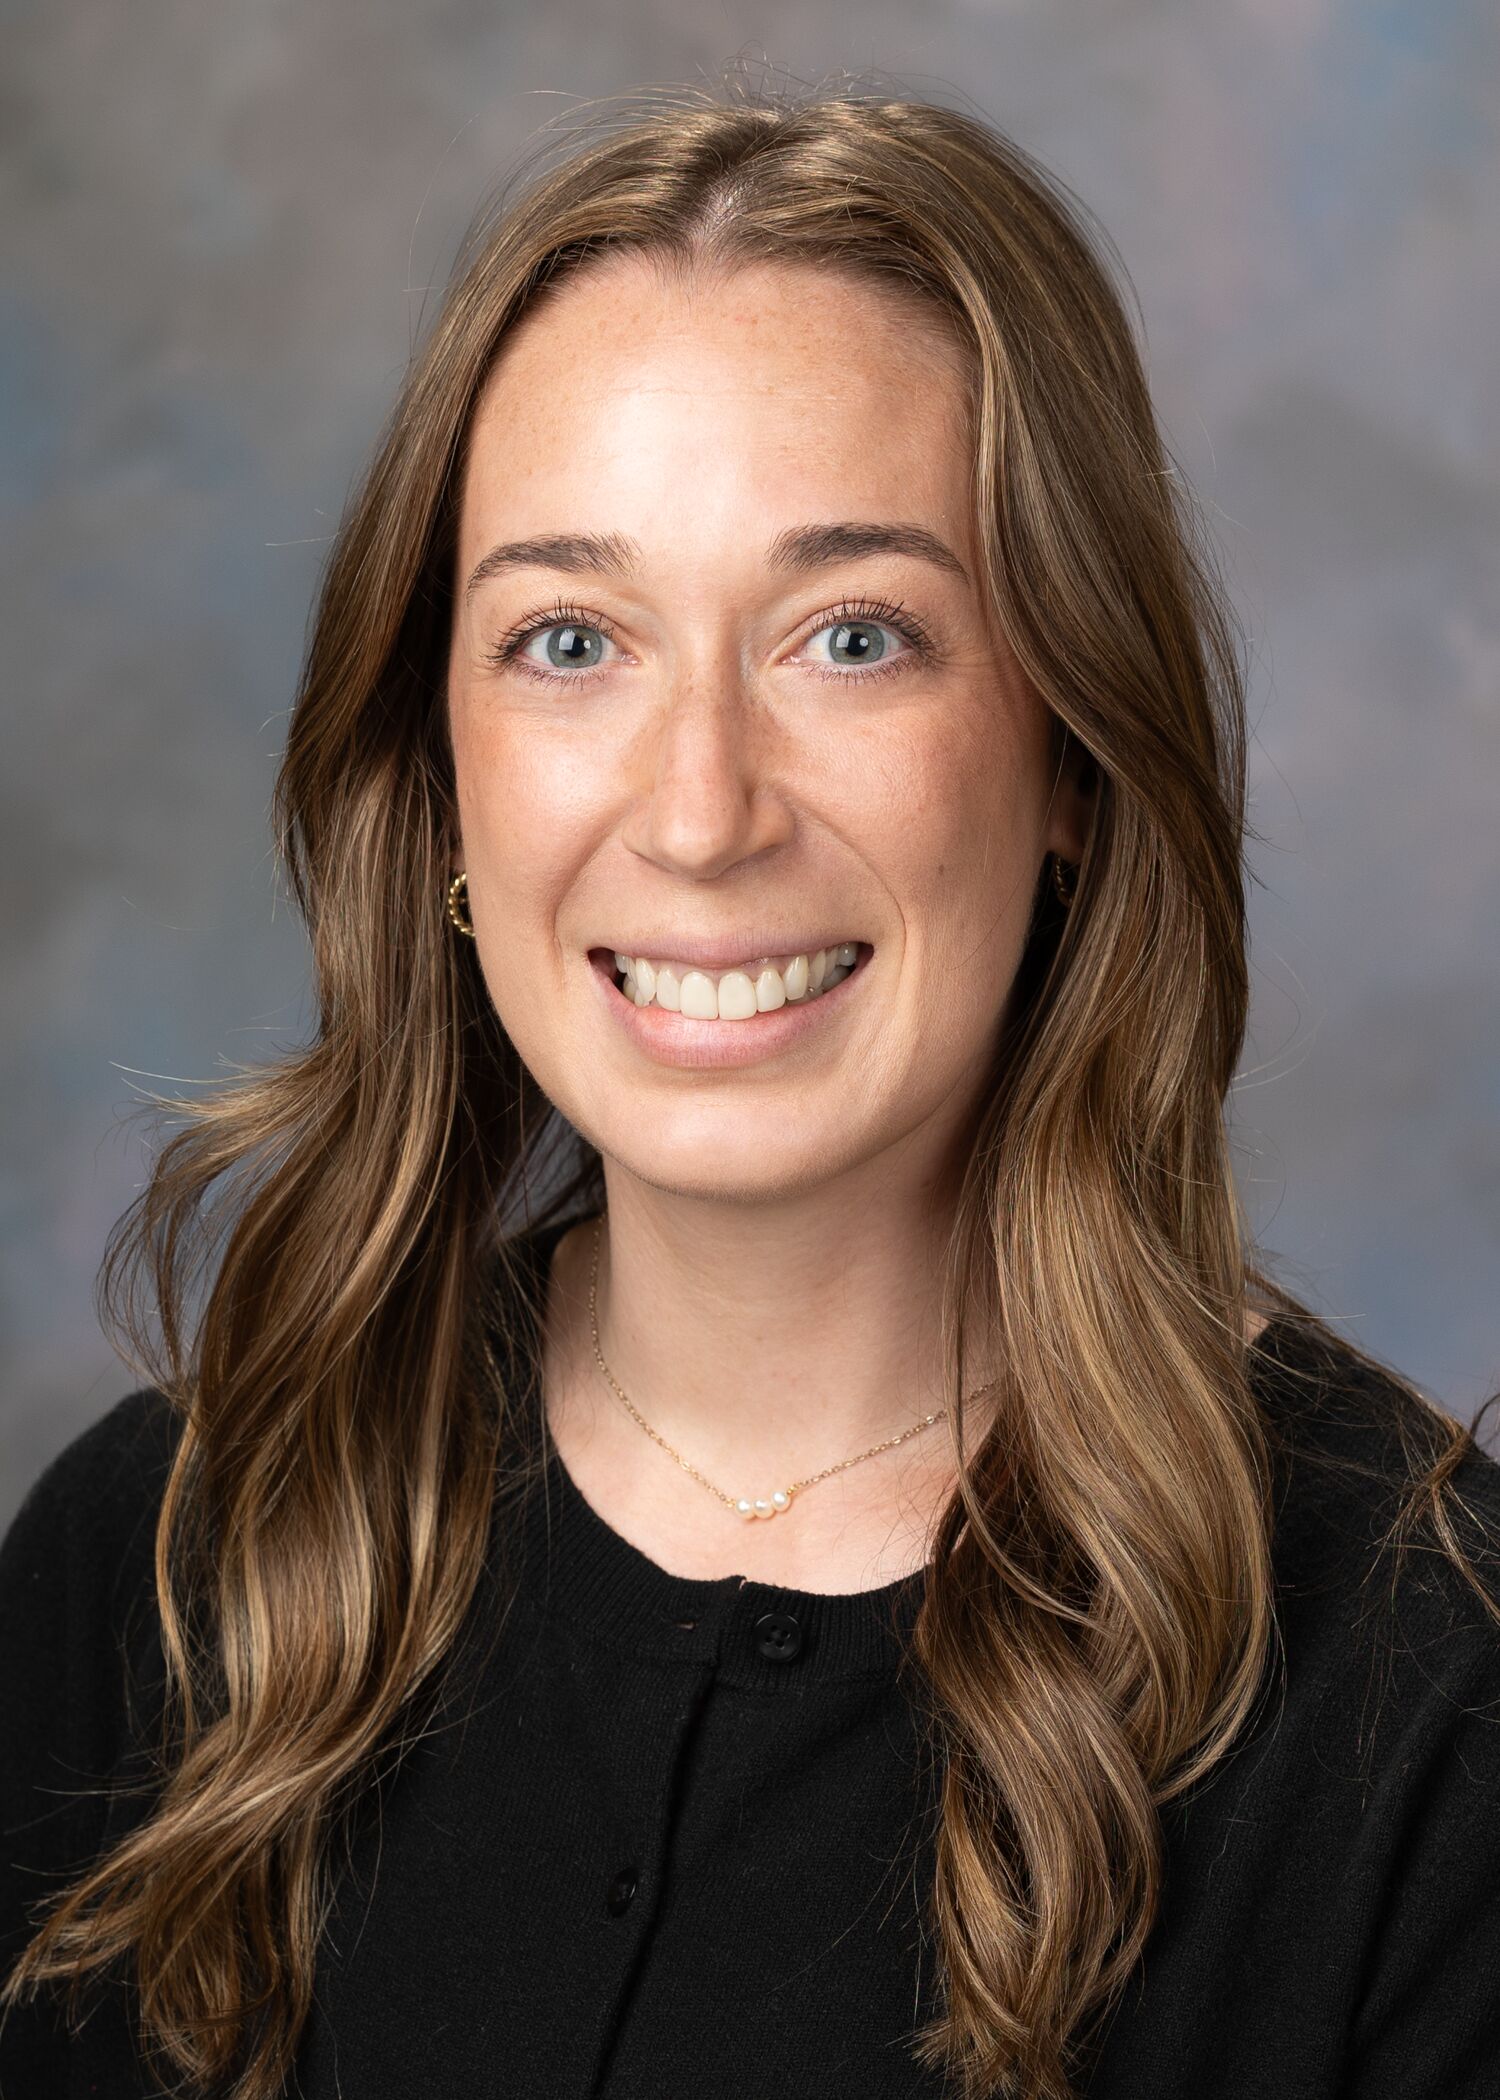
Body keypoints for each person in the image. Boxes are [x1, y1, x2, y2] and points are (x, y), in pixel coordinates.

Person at [3, 76, 1498, 2100]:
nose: (701, 812)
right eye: (570, 640)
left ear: (1071, 754)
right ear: (438, 772)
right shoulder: (160, 1567)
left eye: (853, 636)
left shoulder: (1431, 1713)